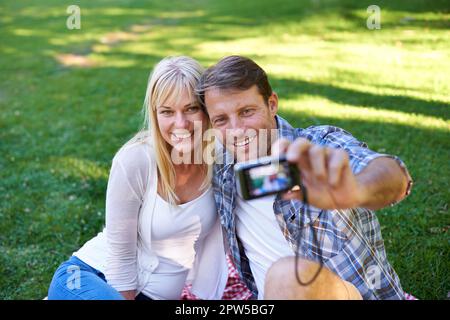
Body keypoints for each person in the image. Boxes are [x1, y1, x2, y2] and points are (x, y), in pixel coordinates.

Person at [197, 55, 414, 300]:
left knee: (288, 274)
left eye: (247, 112)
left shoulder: (318, 147)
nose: (236, 130)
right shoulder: (221, 165)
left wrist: (356, 190)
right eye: (221, 120)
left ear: (272, 104)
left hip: (347, 294)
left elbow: (392, 175)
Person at [47, 56, 229, 300]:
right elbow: (120, 256)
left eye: (191, 108)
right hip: (90, 277)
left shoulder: (219, 157)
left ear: (206, 110)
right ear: (155, 115)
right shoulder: (136, 160)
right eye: (167, 111)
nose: (180, 123)